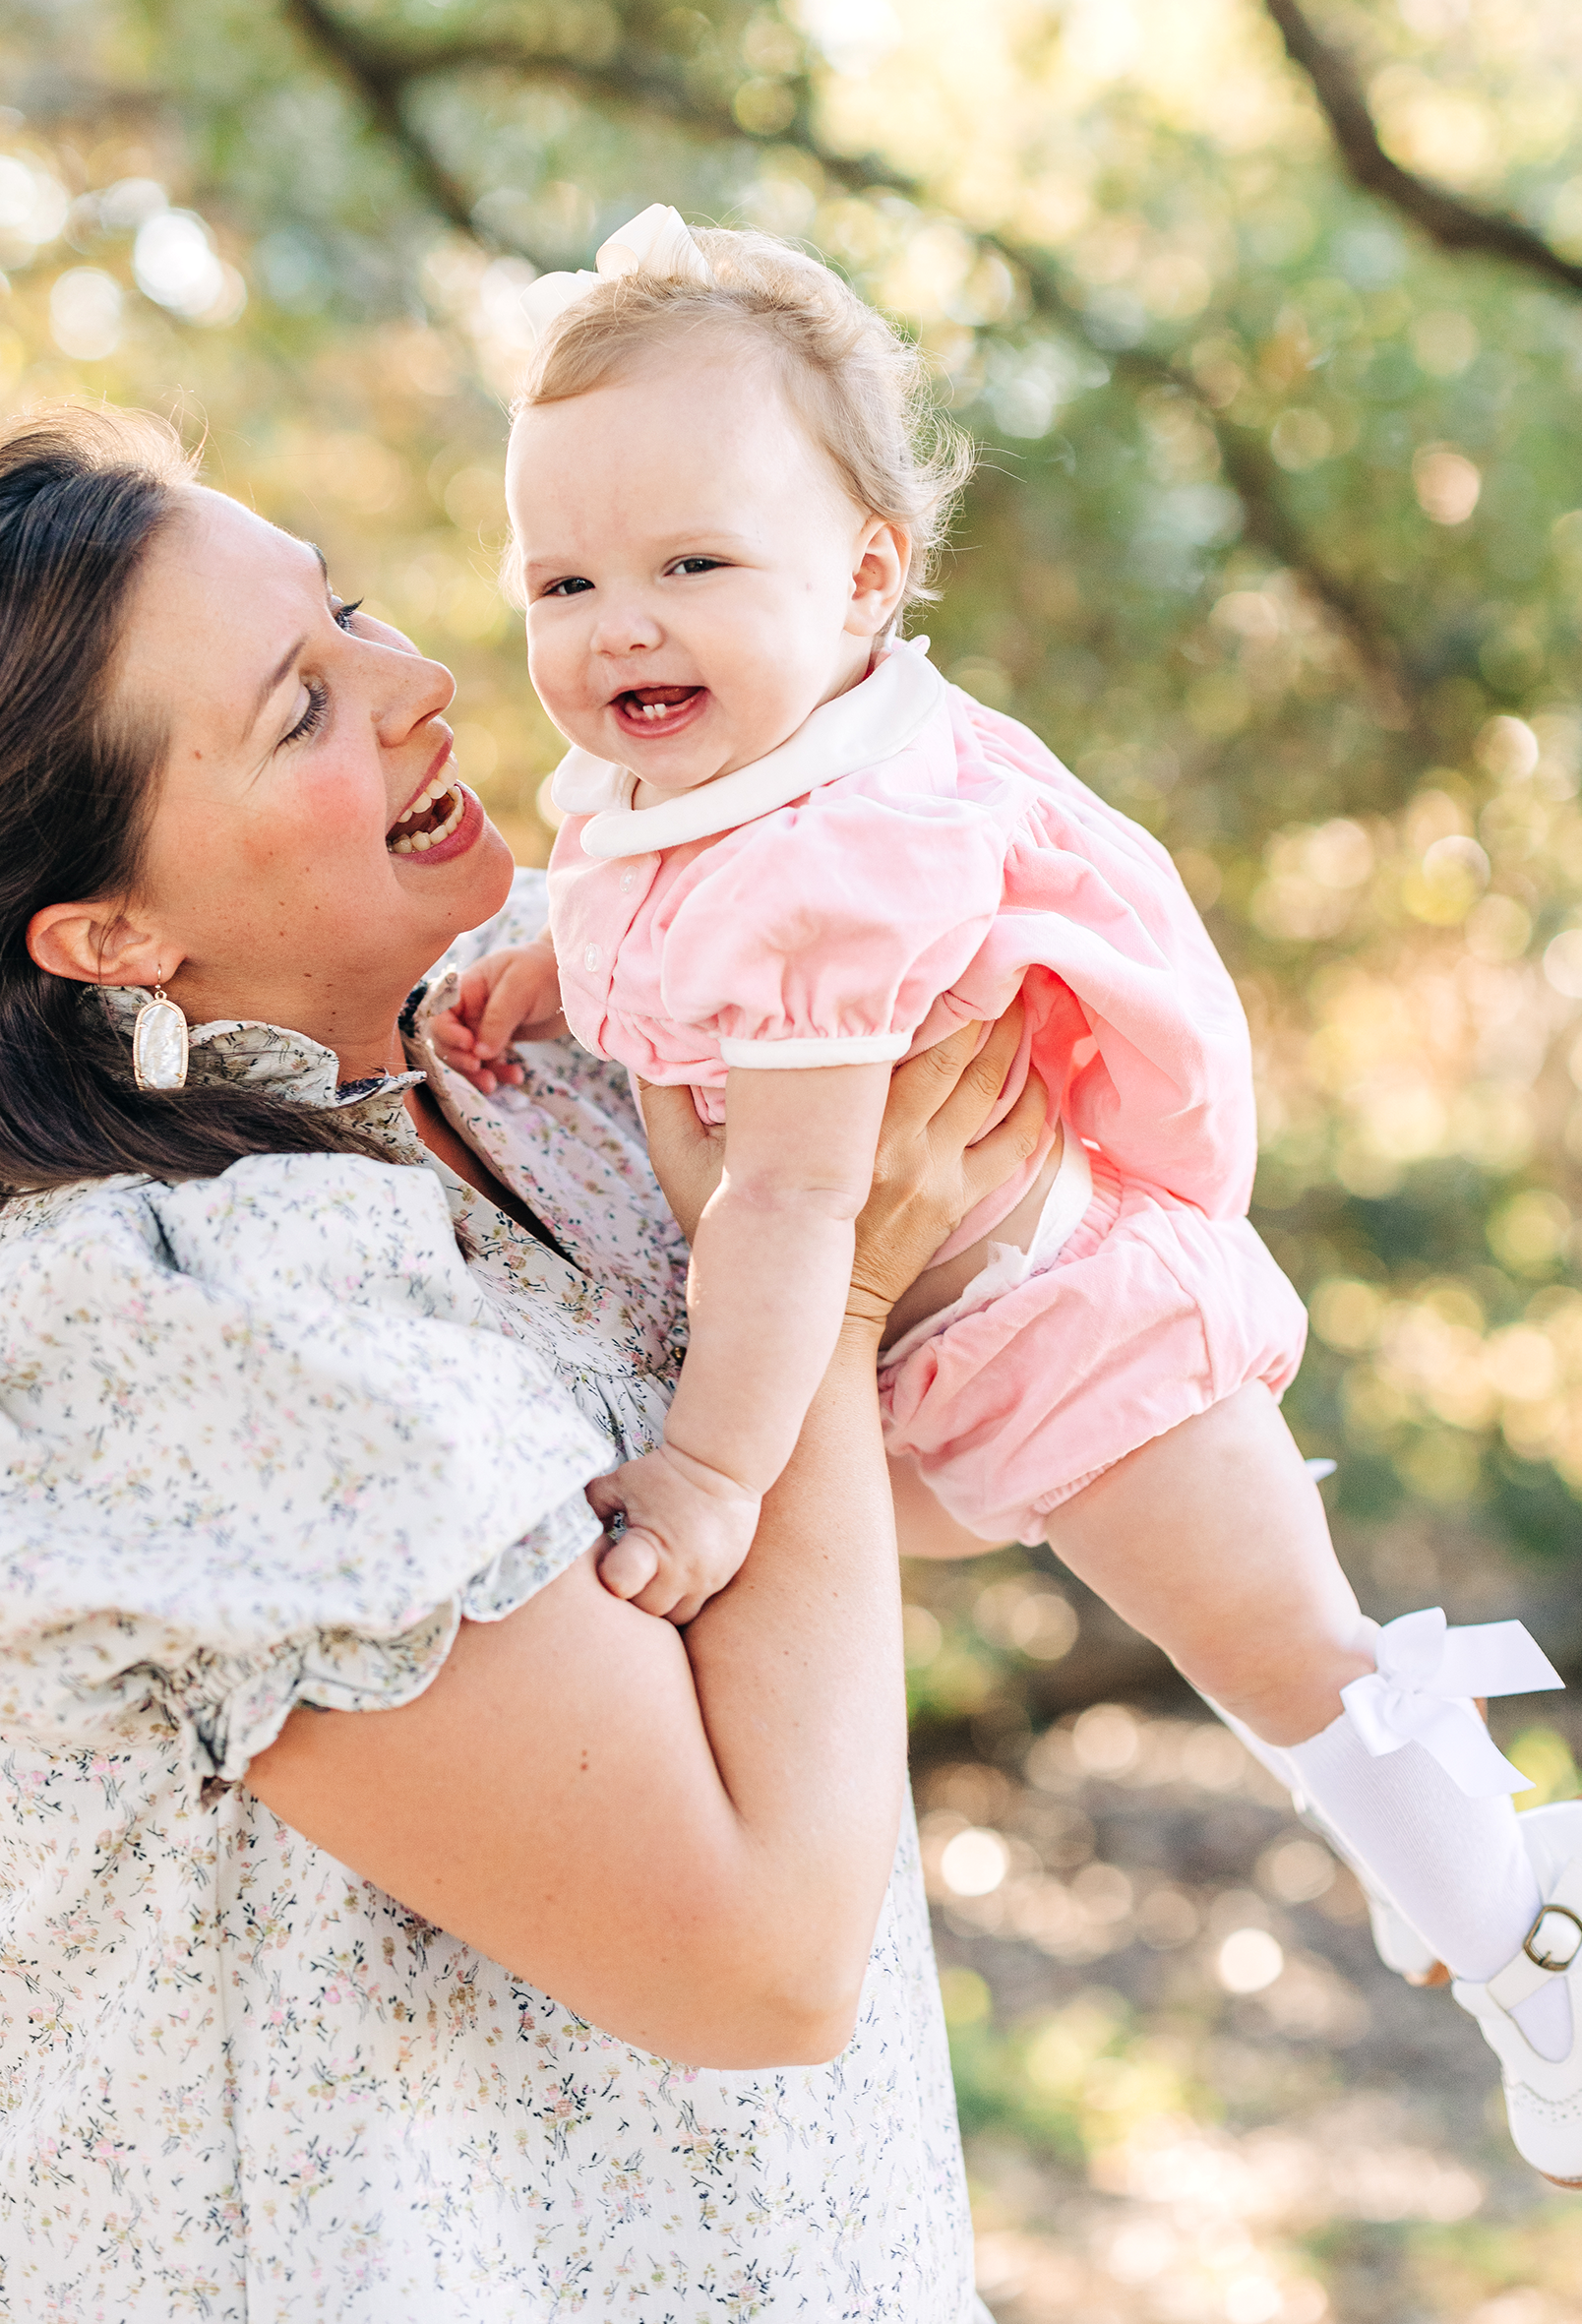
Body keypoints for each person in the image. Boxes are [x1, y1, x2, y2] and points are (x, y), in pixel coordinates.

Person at [0, 406, 1056, 2320]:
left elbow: (858, 1518)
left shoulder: (527, 1042)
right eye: (298, 705)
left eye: (347, 608)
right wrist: (825, 1277)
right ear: (107, 930)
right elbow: (759, 1956)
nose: (423, 681)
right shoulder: (161, 1314)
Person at [431, 206, 1582, 2182]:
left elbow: (791, 1204)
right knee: (1279, 1678)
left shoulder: (840, 847)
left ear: (864, 575)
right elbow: (652, 932)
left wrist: (709, 1480)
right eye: (564, 578)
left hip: (1064, 1329)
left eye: (693, 564)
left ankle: (1524, 1934)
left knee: (1281, 1659)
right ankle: (1466, 1866)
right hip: (945, 1356)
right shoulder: (681, 787)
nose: (620, 623)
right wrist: (556, 967)